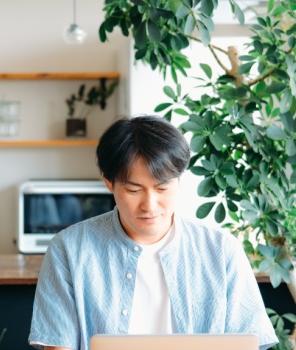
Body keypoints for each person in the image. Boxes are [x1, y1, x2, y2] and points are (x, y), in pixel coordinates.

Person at [28, 116, 278, 350]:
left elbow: (248, 340)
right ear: (108, 182)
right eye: (134, 190)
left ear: (179, 180)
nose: (150, 205)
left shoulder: (222, 250)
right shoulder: (69, 249)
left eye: (162, 187)